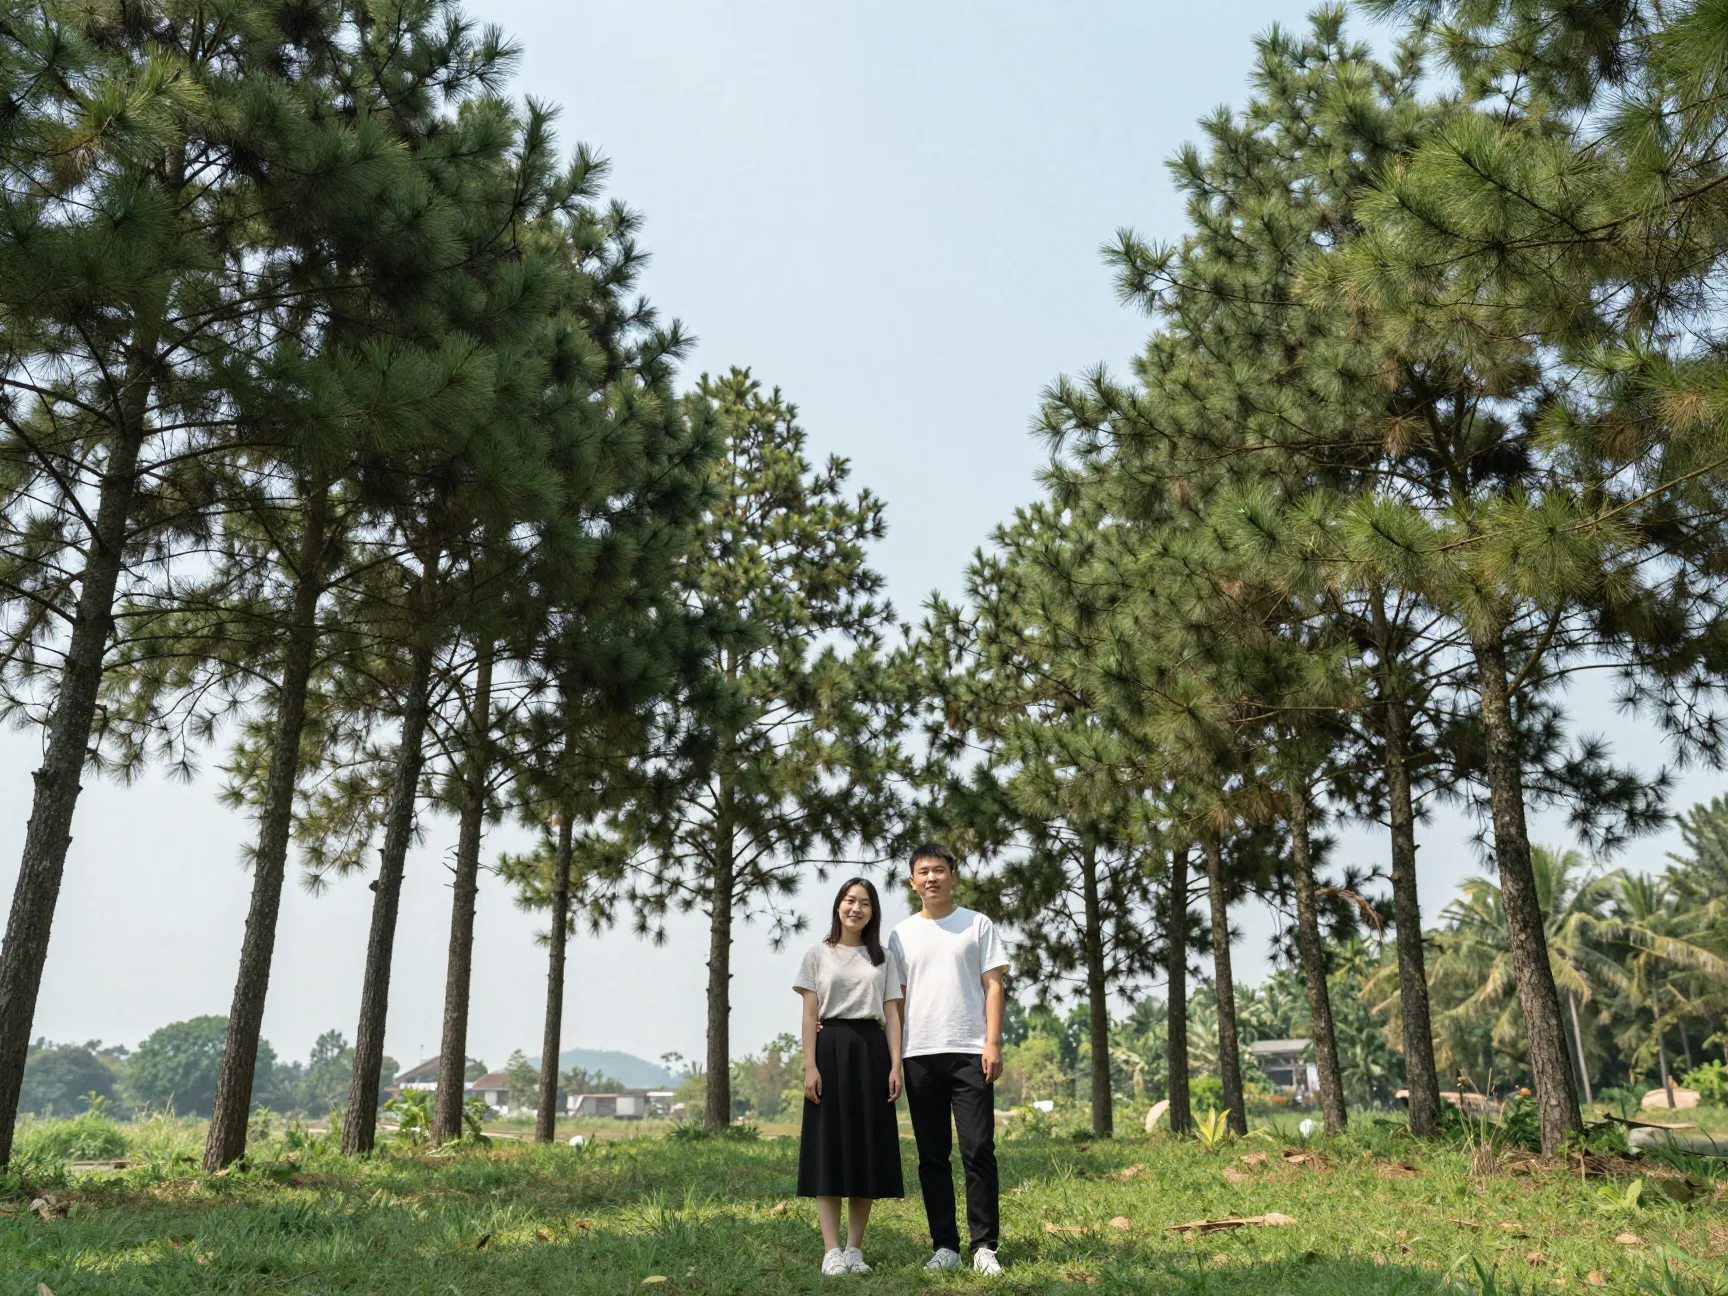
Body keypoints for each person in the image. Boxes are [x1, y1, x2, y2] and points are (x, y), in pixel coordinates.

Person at [887, 842, 1008, 1276]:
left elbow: (994, 986)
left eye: (940, 870)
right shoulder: (900, 934)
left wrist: (992, 1043)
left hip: (969, 1051)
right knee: (932, 1155)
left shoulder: (977, 924)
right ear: (912, 881)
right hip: (919, 1053)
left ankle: (984, 1247)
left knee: (978, 1150)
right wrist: (893, 1058)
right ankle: (945, 1245)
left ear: (953, 876)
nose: (932, 878)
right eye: (924, 871)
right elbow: (893, 1000)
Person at [793, 876, 906, 1277]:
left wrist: (896, 1065)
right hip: (830, 1049)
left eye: (865, 903)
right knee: (829, 1149)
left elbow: (892, 1014)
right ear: (838, 905)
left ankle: (855, 1249)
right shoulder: (817, 954)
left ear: (874, 911)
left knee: (866, 1149)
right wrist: (810, 1066)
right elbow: (809, 1015)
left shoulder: (884, 958)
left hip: (872, 1052)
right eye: (849, 900)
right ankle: (831, 1250)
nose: (856, 908)